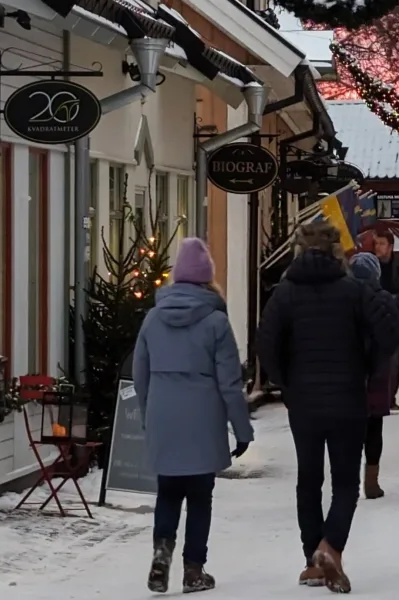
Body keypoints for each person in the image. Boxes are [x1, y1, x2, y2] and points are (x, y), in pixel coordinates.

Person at [257, 222, 399, 592]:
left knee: (309, 480)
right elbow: (389, 335)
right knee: (345, 483)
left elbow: (266, 346)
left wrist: (286, 382)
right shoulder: (354, 290)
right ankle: (331, 548)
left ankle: (314, 558)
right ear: (338, 251)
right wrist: (369, 366)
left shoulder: (284, 294)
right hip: (348, 399)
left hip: (303, 402)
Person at [133, 238, 253, 594]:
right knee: (201, 497)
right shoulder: (217, 322)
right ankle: (194, 570)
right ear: (208, 279)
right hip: (203, 419)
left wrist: (147, 416)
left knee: (168, 492)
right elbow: (230, 384)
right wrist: (242, 430)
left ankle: (161, 552)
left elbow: (140, 375)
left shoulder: (153, 318)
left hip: (163, 416)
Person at [348, 252, 399, 501]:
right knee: (374, 427)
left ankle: (347, 478)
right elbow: (394, 335)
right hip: (377, 371)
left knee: (348, 429)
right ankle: (371, 480)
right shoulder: (384, 299)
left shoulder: (342, 297)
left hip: (347, 371)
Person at [373, 227, 399, 411]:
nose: (378, 248)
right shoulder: (371, 266)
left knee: (394, 361)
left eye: (381, 244)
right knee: (378, 361)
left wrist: (395, 299)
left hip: (397, 319)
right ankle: (379, 397)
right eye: (376, 244)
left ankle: (391, 398)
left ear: (390, 247)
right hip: (376, 320)